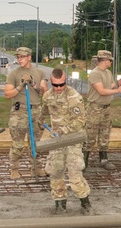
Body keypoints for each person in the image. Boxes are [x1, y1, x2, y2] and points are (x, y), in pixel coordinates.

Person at [39, 68, 92, 215]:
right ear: (51, 82)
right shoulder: (47, 96)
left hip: (73, 138)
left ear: (65, 82)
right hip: (56, 140)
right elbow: (44, 111)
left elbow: (81, 121)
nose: (58, 88)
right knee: (55, 171)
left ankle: (85, 202)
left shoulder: (74, 96)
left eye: (61, 85)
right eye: (55, 85)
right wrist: (39, 120)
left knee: (74, 171)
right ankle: (60, 204)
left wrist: (63, 130)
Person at [3, 46, 48, 179]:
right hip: (20, 111)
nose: (19, 59)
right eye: (18, 57)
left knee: (35, 143)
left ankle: (36, 167)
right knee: (17, 143)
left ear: (29, 57)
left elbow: (44, 91)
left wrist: (34, 84)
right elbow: (7, 94)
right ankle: (14, 169)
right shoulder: (14, 74)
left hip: (35, 110)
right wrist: (20, 86)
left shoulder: (39, 72)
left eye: (22, 56)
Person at [84, 49, 121, 170]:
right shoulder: (95, 73)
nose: (111, 62)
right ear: (105, 60)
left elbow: (111, 86)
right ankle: (84, 160)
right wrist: (118, 91)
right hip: (95, 109)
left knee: (104, 135)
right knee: (90, 135)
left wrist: (119, 84)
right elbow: (101, 91)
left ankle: (103, 159)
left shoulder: (108, 73)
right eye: (110, 60)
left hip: (106, 109)